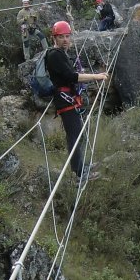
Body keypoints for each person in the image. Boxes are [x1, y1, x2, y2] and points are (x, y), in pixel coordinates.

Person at [45, 20, 108, 178]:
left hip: (67, 97)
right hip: (65, 99)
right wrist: (96, 76)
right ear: (54, 38)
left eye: (67, 36)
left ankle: (80, 166)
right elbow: (71, 76)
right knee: (74, 134)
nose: (65, 40)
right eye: (61, 37)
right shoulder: (54, 55)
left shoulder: (59, 54)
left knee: (76, 132)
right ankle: (79, 174)